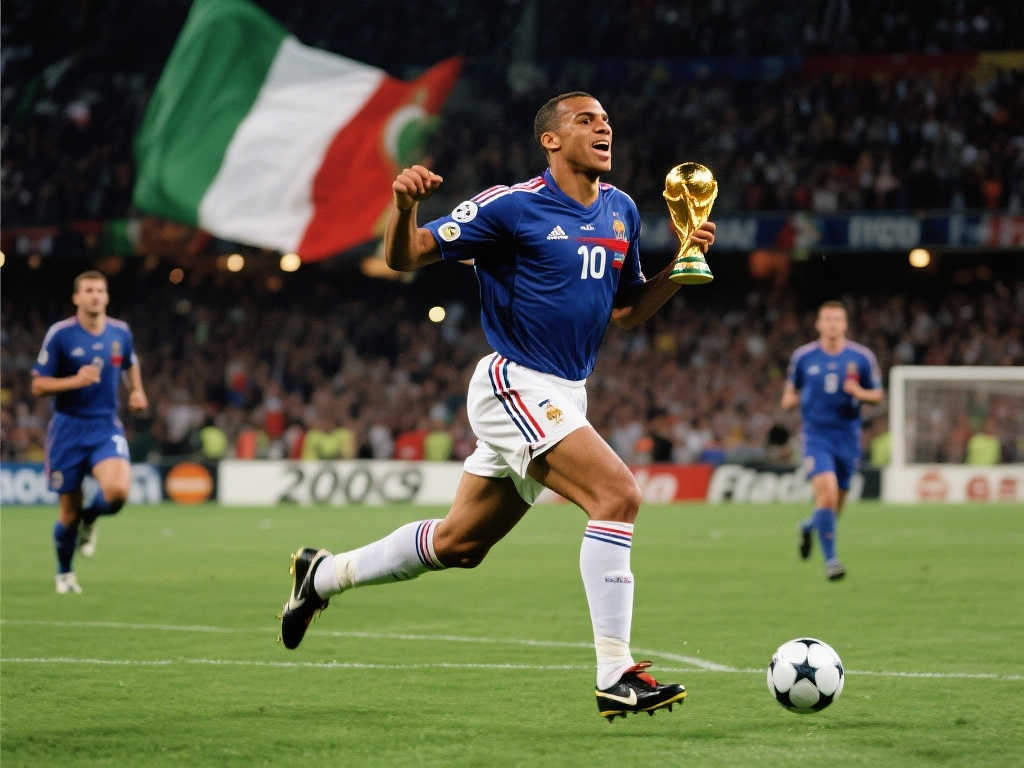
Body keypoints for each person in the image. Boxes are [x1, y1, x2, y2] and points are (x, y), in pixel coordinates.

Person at [278, 91, 716, 721]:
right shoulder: (511, 206)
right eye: (587, 120)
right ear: (550, 139)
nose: (604, 128)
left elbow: (626, 312)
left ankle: (319, 576)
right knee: (617, 495)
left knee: (460, 544)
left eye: (607, 121)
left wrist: (683, 262)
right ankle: (616, 673)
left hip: (567, 393)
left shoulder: (620, 210)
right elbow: (404, 256)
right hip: (514, 382)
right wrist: (405, 207)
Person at [31, 270, 148, 593]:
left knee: (117, 493)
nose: (95, 295)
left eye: (100, 290)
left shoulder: (120, 332)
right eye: (89, 290)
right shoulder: (61, 335)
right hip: (67, 429)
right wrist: (75, 381)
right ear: (77, 298)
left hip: (105, 425)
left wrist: (137, 390)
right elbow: (38, 386)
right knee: (68, 512)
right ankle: (65, 574)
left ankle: (91, 519)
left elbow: (130, 362)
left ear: (107, 297)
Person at [781, 300, 882, 580]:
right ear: (819, 324)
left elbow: (877, 395)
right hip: (816, 436)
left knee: (834, 509)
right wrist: (798, 398)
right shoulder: (804, 357)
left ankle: (807, 527)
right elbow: (788, 396)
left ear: (845, 324)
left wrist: (859, 393)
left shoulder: (861, 357)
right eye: (827, 319)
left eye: (837, 319)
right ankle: (832, 562)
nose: (832, 324)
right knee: (826, 495)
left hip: (848, 436)